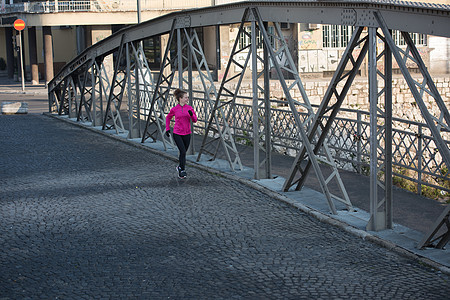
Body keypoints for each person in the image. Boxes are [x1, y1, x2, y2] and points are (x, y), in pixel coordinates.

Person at [165, 89, 198, 179]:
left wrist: (191, 115)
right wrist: (167, 129)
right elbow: (168, 118)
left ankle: (179, 166)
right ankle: (182, 170)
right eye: (186, 97)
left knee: (183, 153)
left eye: (187, 97)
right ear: (180, 98)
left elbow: (195, 120)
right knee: (182, 151)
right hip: (177, 133)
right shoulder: (175, 109)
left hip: (187, 133)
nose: (187, 99)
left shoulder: (189, 108)